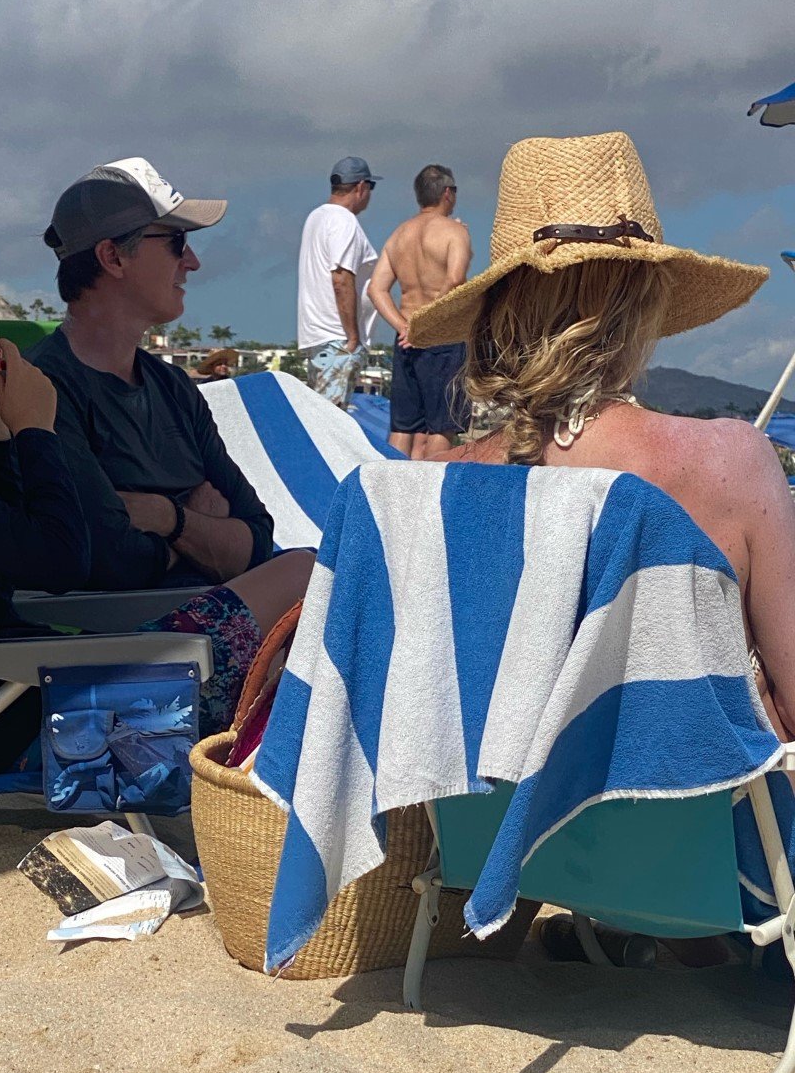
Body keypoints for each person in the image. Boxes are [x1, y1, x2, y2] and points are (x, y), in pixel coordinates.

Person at [408, 130, 782, 964]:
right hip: (713, 876)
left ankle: (613, 925)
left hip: (508, 858)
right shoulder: (732, 462)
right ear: (646, 299)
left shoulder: (436, 488)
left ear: (499, 309)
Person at [0, 258, 313, 777]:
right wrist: (37, 429)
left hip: (13, 707)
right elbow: (61, 562)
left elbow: (13, 552)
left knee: (299, 575)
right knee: (304, 572)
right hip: (45, 727)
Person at [28, 158, 276, 594]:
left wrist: (165, 517)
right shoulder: (43, 389)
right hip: (123, 629)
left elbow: (258, 538)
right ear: (113, 257)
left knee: (316, 570)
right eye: (177, 241)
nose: (193, 262)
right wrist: (199, 522)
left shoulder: (174, 387)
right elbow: (113, 561)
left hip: (191, 617)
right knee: (311, 574)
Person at [368, 164, 472, 457]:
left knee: (403, 427)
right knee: (442, 427)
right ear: (448, 193)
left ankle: (388, 484)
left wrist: (405, 327)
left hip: (406, 340)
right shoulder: (454, 232)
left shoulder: (398, 235)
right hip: (444, 337)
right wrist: (427, 325)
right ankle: (430, 486)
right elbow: (455, 279)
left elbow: (376, 289)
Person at [297, 156, 380, 408]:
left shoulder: (316, 217)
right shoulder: (344, 221)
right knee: (331, 420)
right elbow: (341, 279)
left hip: (319, 335)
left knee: (320, 416)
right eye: (371, 187)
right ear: (361, 187)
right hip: (338, 338)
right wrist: (352, 337)